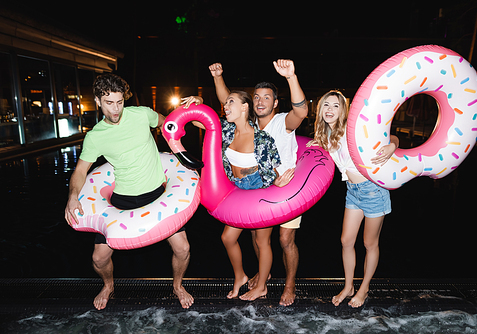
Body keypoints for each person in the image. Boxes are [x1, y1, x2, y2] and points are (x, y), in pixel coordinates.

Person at [64, 73, 193, 310]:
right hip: (122, 198)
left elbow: (168, 123)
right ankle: (108, 285)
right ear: (98, 101)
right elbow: (81, 171)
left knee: (183, 247)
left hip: (156, 193)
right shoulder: (95, 136)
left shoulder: (142, 114)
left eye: (120, 102)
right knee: (98, 258)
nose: (115, 109)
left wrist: (189, 112)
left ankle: (177, 285)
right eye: (109, 103)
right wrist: (72, 197)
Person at [208, 59, 308, 306]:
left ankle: (289, 284)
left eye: (266, 98)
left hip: (286, 187)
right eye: (257, 97)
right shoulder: (249, 124)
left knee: (284, 240)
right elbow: (228, 101)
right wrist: (218, 76)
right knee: (256, 238)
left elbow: (302, 112)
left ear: (275, 102)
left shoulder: (283, 122)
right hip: (258, 186)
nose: (260, 102)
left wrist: (291, 77)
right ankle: (263, 275)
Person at [182, 92, 293, 301]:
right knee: (227, 237)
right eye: (225, 102)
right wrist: (199, 103)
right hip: (238, 189)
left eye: (230, 102)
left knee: (262, 241)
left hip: (260, 188)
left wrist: (278, 182)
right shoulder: (225, 129)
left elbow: (273, 167)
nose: (225, 106)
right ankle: (240, 276)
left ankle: (261, 286)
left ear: (244, 107)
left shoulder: (262, 138)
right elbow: (200, 120)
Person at [308, 90, 399, 308]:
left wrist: (392, 146)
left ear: (344, 110)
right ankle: (349, 286)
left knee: (369, 243)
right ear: (320, 110)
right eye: (326, 105)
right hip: (353, 191)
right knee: (346, 241)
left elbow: (392, 135)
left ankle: (364, 288)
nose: (330, 110)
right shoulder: (327, 134)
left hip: (373, 190)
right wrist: (318, 146)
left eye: (335, 106)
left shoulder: (354, 128)